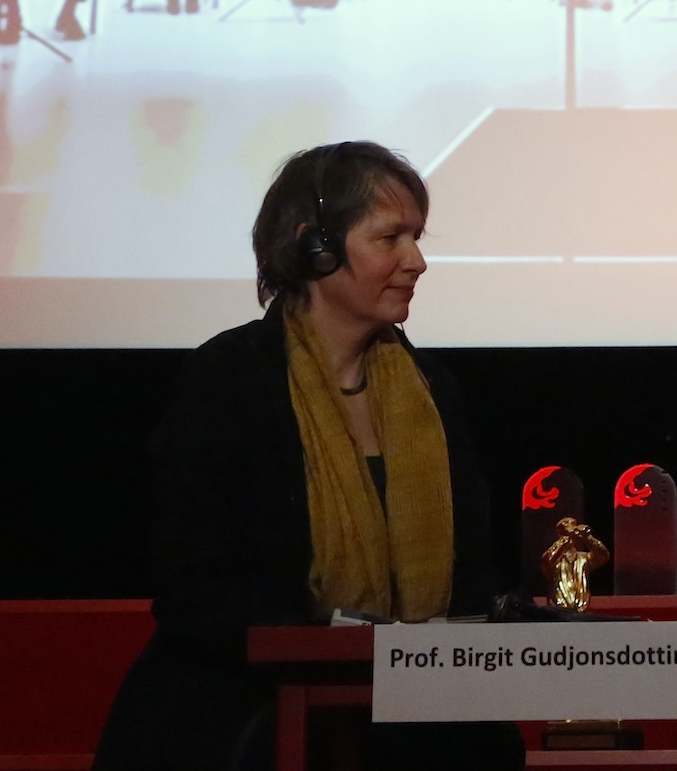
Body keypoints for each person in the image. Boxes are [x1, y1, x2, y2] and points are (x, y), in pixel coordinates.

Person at [92, 141, 517, 771]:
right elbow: (193, 585)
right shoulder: (231, 379)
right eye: (390, 238)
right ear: (314, 247)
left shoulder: (432, 389)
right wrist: (327, 648)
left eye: (417, 238)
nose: (417, 261)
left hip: (413, 712)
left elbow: (473, 572)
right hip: (250, 705)